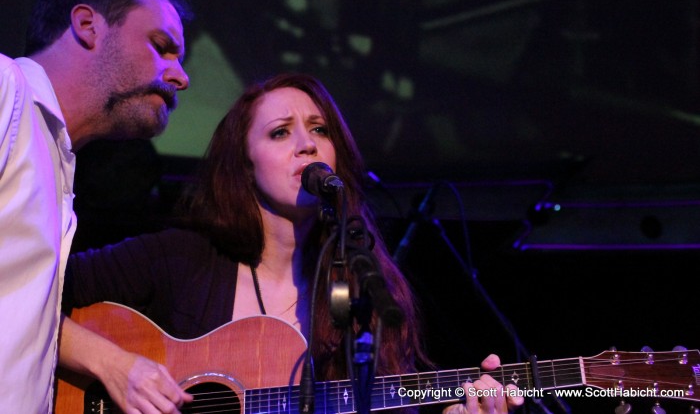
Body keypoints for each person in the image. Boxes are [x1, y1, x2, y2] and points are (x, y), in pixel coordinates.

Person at [60, 73, 523, 414]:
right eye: (281, 132)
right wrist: (115, 364)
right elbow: (22, 299)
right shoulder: (176, 258)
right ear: (244, 166)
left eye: (320, 129)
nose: (307, 144)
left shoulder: (362, 290)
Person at [0, 0, 190, 413]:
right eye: (163, 47)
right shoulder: (6, 90)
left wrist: (111, 360)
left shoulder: (55, 155)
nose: (180, 77)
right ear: (88, 26)